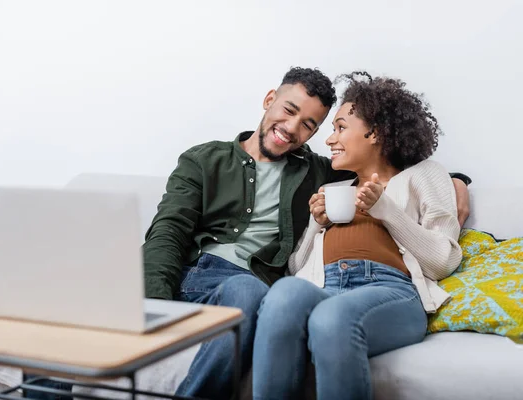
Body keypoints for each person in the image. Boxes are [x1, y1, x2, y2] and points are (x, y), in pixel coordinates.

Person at [140, 68, 471, 400]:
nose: (297, 129)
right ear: (270, 100)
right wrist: (156, 305)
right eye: (289, 110)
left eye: (315, 125)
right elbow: (169, 231)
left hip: (358, 286)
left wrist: (455, 180)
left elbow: (393, 177)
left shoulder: (327, 172)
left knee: (276, 296)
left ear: (375, 133)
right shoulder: (210, 160)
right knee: (280, 294)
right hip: (210, 276)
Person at [252, 71, 464, 400]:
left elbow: (443, 260)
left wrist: (386, 209)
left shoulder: (423, 174)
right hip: (327, 288)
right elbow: (297, 269)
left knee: (331, 318)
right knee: (283, 294)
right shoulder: (333, 191)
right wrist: (316, 224)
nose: (329, 139)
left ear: (374, 133)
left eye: (339, 128)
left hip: (390, 291)